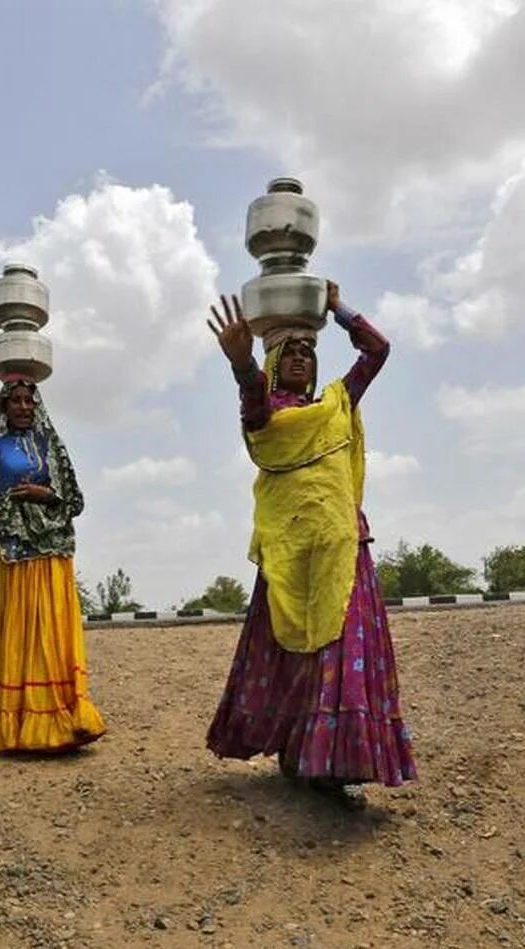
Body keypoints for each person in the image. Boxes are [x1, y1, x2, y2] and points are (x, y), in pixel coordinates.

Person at [204, 283, 416, 798]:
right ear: (273, 362)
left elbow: (378, 350)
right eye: (290, 352)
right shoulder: (268, 415)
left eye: (308, 351)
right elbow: (254, 406)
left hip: (344, 548)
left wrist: (338, 307)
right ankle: (297, 752)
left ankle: (337, 763)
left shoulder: (336, 405)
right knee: (291, 656)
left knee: (343, 654)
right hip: (288, 552)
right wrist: (242, 365)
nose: (301, 358)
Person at [0, 373, 105, 752]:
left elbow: (74, 500)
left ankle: (61, 722)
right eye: (16, 401)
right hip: (10, 553)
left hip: (52, 554)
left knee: (49, 635)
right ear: (5, 406)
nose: (24, 407)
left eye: (30, 401)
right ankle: (11, 726)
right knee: (15, 634)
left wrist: (45, 493)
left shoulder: (51, 445)